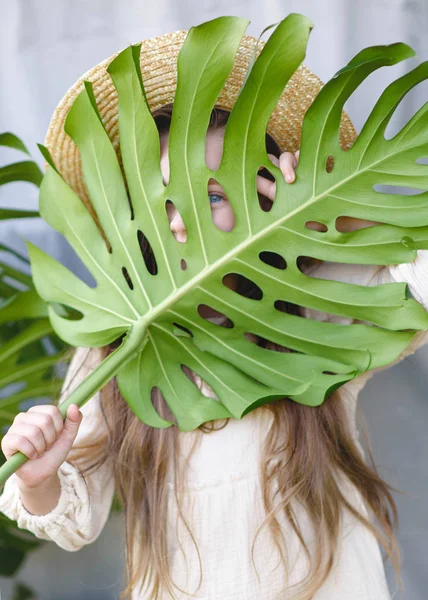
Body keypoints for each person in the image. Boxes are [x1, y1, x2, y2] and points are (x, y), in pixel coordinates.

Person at [1, 23, 428, 600]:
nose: (188, 220)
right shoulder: (115, 341)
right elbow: (76, 515)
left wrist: (336, 222)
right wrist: (38, 477)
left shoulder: (317, 303)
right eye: (164, 200)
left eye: (217, 195)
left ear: (268, 196)